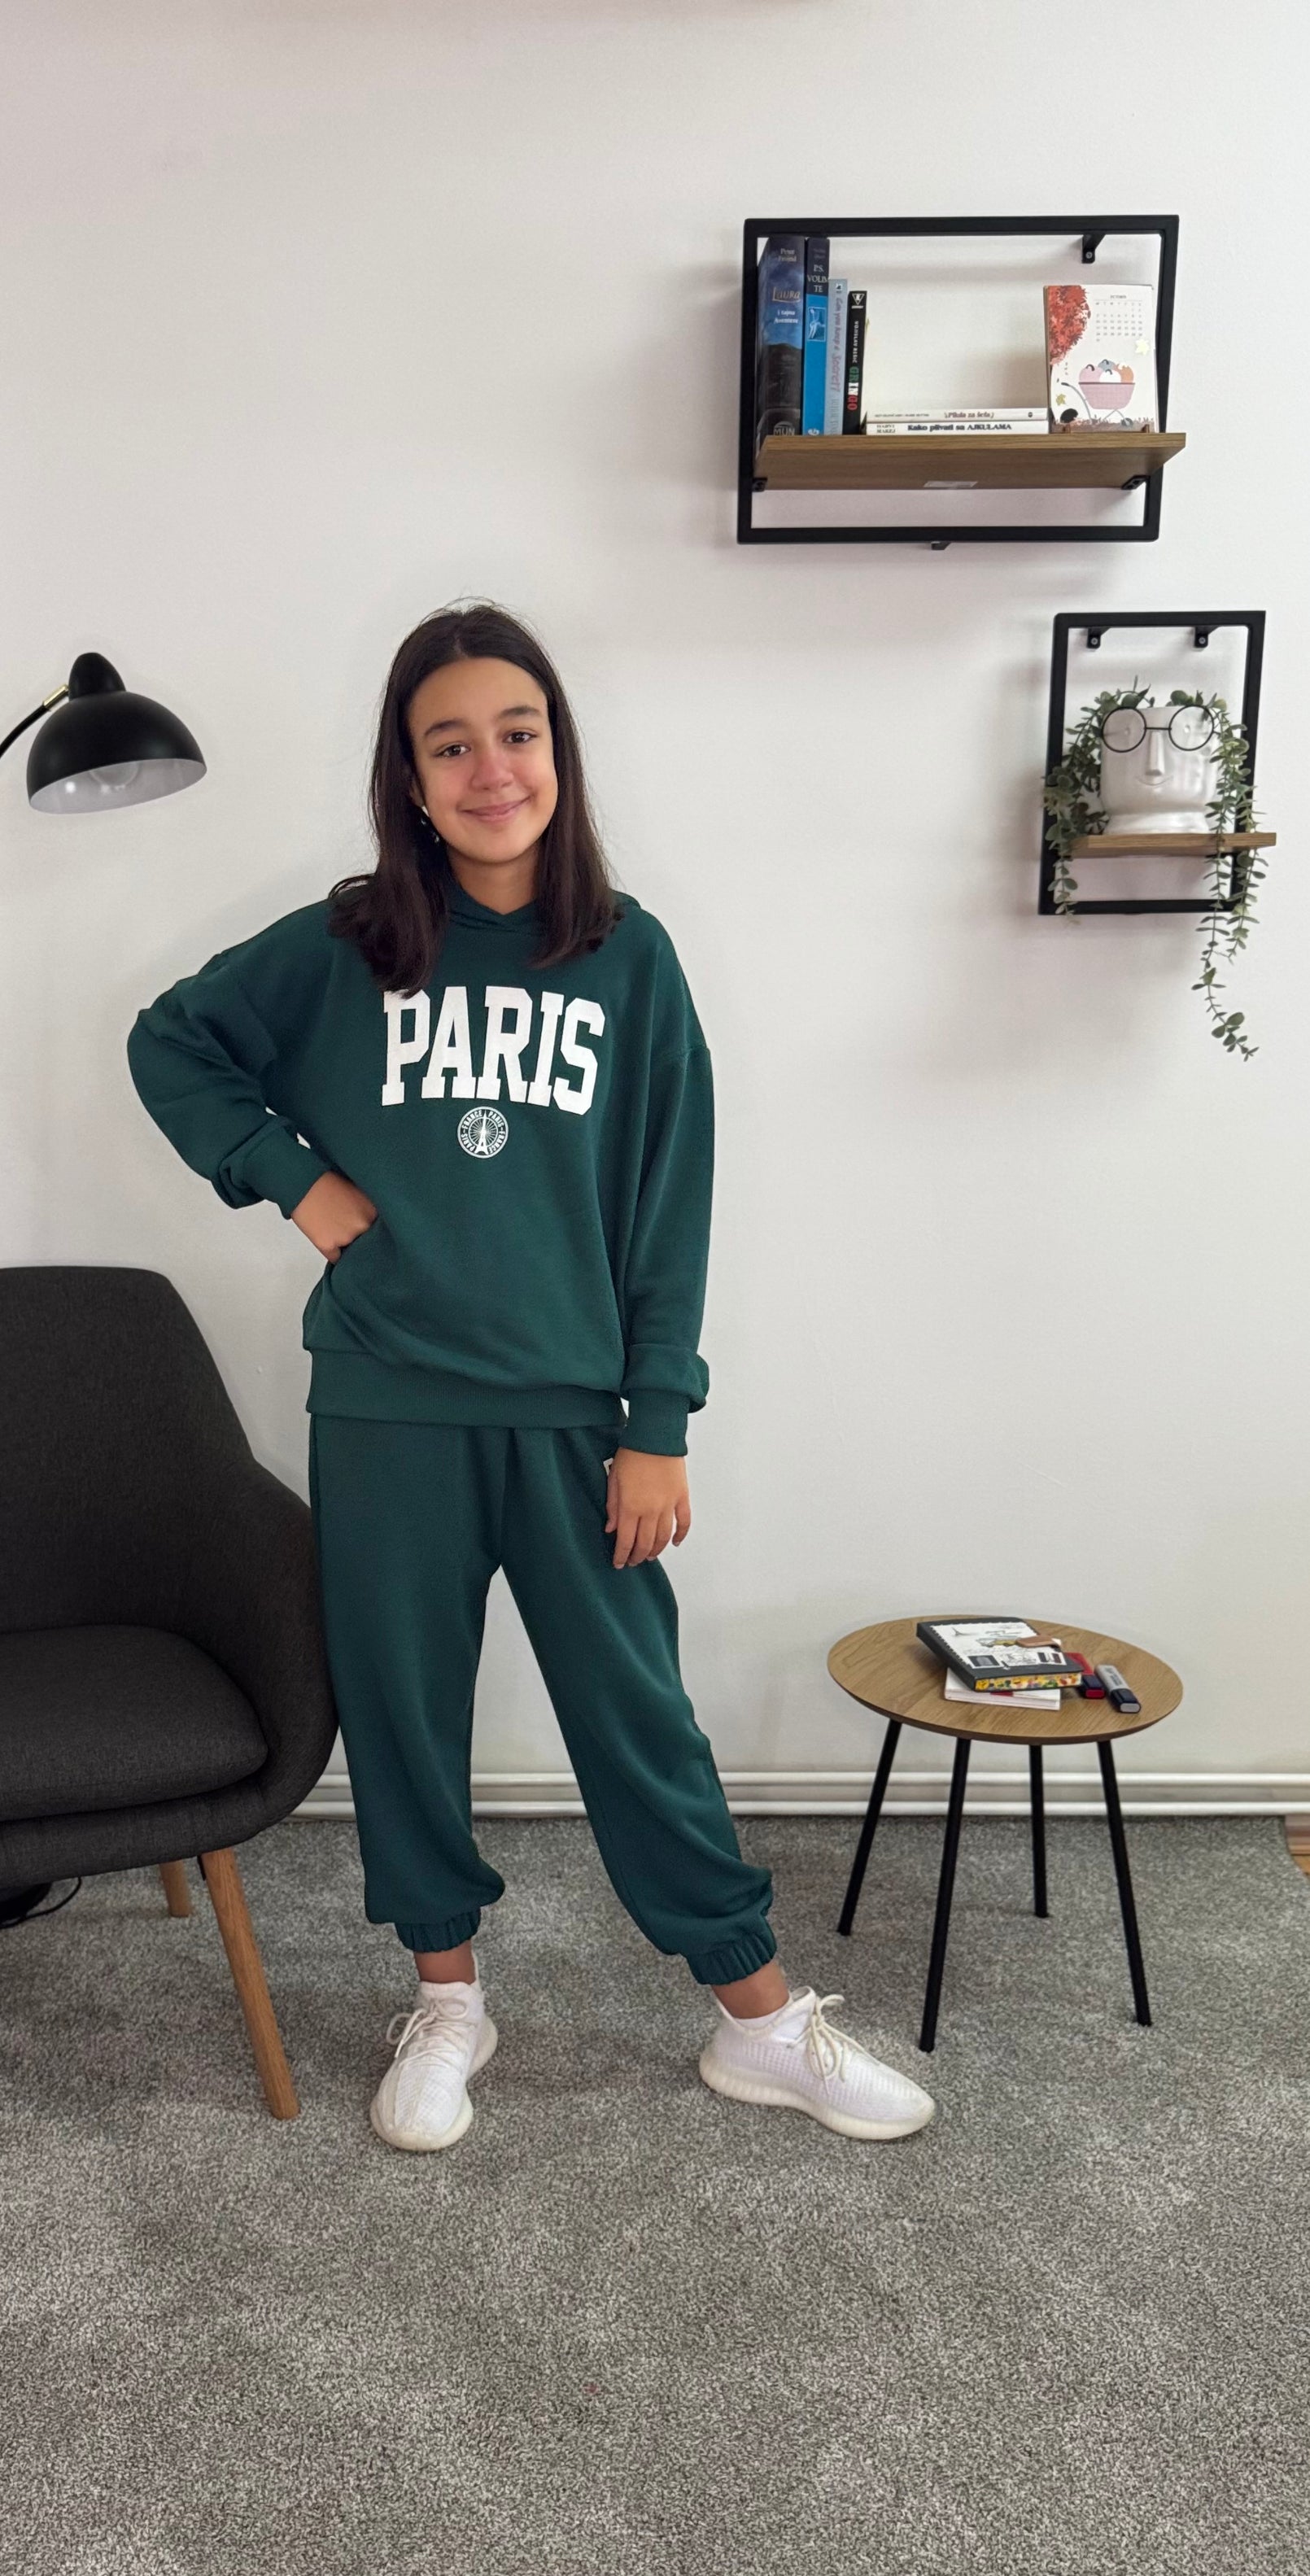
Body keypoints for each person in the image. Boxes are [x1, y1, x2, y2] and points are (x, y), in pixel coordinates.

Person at [129, 603, 935, 2155]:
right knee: (404, 1715)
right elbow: (172, 1043)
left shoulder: (628, 957)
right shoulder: (347, 945)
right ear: (409, 779)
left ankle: (758, 2020)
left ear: (556, 751)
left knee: (636, 1719)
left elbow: (669, 1206)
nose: (490, 768)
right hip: (388, 1405)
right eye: (450, 744)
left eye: (517, 732)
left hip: (575, 1417)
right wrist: (294, 1182)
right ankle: (447, 2000)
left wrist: (658, 1423)